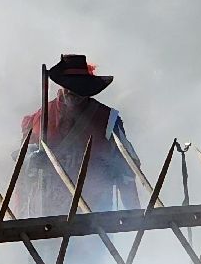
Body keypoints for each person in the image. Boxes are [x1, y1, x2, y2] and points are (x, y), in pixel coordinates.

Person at [20, 55, 140, 214]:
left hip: (95, 212)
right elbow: (22, 167)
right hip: (47, 214)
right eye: (70, 87)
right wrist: (33, 161)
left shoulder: (107, 119)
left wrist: (133, 214)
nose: (74, 93)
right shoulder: (39, 119)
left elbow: (129, 166)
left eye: (79, 88)